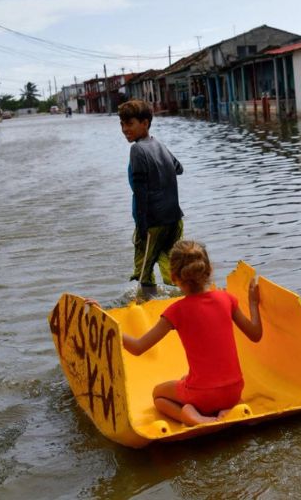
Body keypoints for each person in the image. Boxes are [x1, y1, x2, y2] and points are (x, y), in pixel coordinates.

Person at [120, 240, 263, 425]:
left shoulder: (176, 311)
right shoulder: (227, 299)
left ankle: (192, 417)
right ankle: (225, 410)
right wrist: (253, 303)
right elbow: (255, 334)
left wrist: (108, 327)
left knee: (158, 395)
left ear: (173, 276)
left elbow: (138, 347)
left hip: (202, 396)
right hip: (234, 392)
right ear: (209, 270)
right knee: (185, 379)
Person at [119, 99, 184, 298]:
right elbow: (179, 168)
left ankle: (148, 305)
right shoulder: (159, 144)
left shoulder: (137, 149)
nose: (124, 129)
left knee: (144, 268)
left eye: (129, 124)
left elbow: (141, 192)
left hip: (152, 221)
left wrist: (142, 227)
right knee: (171, 263)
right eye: (122, 124)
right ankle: (182, 300)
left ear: (145, 123)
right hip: (174, 218)